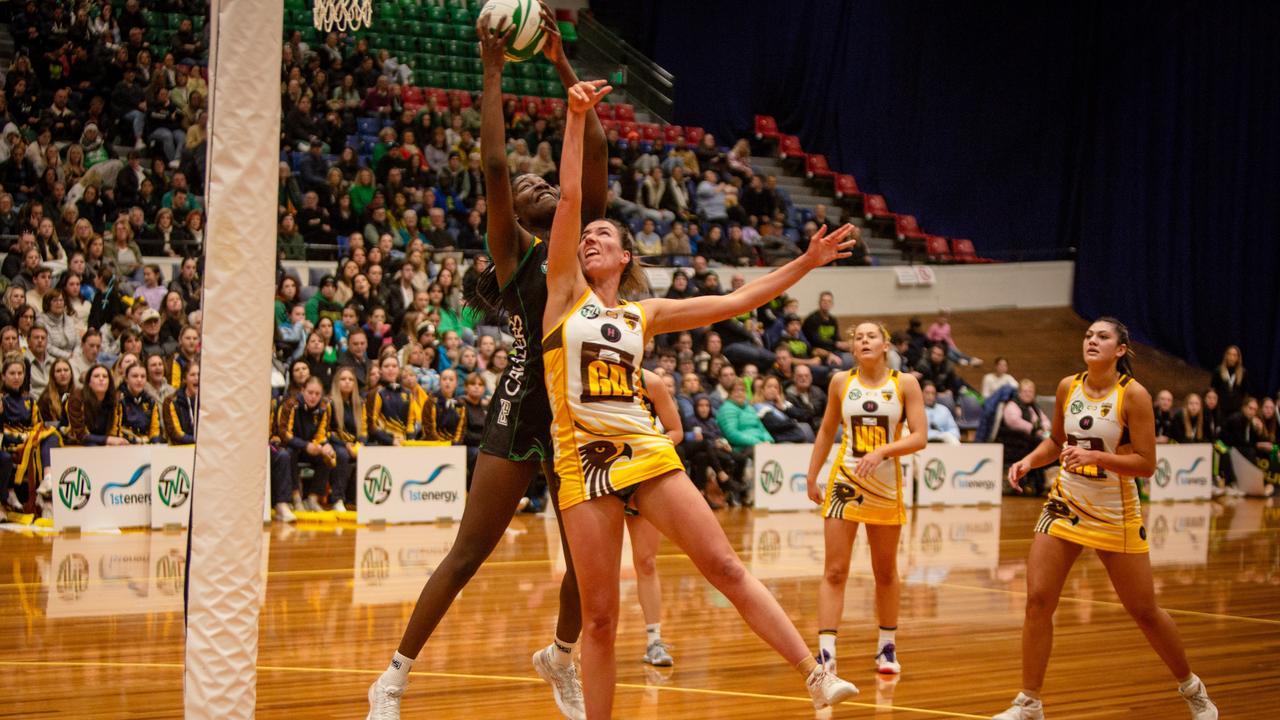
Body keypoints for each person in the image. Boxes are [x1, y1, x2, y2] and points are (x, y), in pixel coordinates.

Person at [538, 78, 859, 717]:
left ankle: (813, 673)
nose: (591, 238)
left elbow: (737, 301)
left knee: (725, 566)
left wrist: (806, 262)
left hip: (644, 449)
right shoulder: (562, 295)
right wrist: (575, 119)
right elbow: (571, 196)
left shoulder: (642, 313)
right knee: (600, 620)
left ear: (626, 255)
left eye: (605, 235)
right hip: (581, 460)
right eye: (586, 235)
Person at [368, 11, 605, 720]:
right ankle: (392, 679)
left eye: (545, 182)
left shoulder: (584, 243)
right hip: (522, 405)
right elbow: (497, 166)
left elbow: (591, 148)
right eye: (532, 188)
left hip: (581, 414)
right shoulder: (516, 254)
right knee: (468, 554)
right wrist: (493, 67)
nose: (537, 184)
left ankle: (558, 659)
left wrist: (567, 72)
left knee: (588, 568)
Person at [996, 318, 1217, 720]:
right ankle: (1029, 702)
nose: (1092, 341)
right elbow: (1057, 442)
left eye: (1102, 337)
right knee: (1037, 600)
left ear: (1120, 350)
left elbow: (1146, 465)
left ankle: (1192, 687)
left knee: (1144, 611)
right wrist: (1029, 460)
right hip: (1065, 503)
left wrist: (1097, 457)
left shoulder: (1133, 396)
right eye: (1088, 335)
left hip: (1115, 511)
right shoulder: (1068, 386)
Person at [805, 321, 926, 677]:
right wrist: (812, 475)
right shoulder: (841, 382)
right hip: (845, 483)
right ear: (853, 349)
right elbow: (827, 430)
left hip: (887, 487)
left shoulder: (905, 384)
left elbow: (919, 438)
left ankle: (886, 647)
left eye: (872, 336)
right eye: (858, 338)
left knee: (885, 571)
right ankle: (826, 653)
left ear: (885, 345)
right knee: (835, 569)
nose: (865, 341)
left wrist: (884, 451)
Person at [629, 368, 682, 667]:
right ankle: (582, 644)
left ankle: (654, 641)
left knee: (646, 561)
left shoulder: (650, 382)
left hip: (643, 475)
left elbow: (675, 430)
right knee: (595, 568)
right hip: (601, 476)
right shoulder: (586, 377)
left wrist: (648, 452)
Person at [279, 376, 343, 511]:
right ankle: (296, 497)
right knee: (289, 453)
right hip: (292, 445)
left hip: (310, 447)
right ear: (303, 390)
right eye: (310, 393)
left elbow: (321, 434)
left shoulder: (324, 407)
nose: (313, 397)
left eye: (317, 394)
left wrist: (325, 445)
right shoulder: (291, 404)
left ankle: (312, 499)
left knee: (328, 456)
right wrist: (305, 445)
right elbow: (284, 434)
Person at [997, 379, 1052, 494]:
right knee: (1039, 445)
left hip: (1029, 441)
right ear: (1019, 392)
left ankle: (1042, 482)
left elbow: (1045, 421)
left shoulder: (1033, 407)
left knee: (1045, 444)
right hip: (1013, 444)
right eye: (1025, 391)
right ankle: (1039, 484)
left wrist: (1044, 428)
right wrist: (1036, 430)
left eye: (1030, 391)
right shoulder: (1012, 406)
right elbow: (1015, 422)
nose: (1028, 394)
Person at [327, 365, 365, 510]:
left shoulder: (360, 404)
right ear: (337, 383)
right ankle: (337, 499)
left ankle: (355, 499)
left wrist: (361, 442)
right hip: (336, 442)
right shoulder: (330, 403)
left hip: (355, 443)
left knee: (369, 452)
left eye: (350, 379)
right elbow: (326, 431)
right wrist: (345, 444)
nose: (347, 382)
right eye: (343, 379)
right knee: (342, 455)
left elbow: (365, 429)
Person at [66, 364, 125, 446]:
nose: (101, 379)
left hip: (105, 442)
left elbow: (114, 432)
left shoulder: (115, 401)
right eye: (96, 376)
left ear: (109, 382)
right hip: (78, 443)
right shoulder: (77, 399)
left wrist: (109, 441)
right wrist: (106, 440)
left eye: (105, 376)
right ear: (89, 382)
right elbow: (79, 434)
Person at [118, 363, 164, 444]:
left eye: (143, 376)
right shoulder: (119, 400)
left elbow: (155, 431)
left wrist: (156, 443)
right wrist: (134, 440)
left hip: (146, 445)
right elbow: (115, 432)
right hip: (124, 446)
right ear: (126, 379)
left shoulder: (151, 401)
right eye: (135, 376)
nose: (139, 380)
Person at [163, 362, 199, 444]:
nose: (197, 378)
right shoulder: (171, 401)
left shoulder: (206, 401)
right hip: (179, 450)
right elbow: (176, 434)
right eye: (192, 375)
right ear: (184, 379)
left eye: (199, 374)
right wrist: (199, 440)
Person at [1209, 345, 1246, 417]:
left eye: (1234, 355)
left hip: (1236, 409)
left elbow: (1244, 391)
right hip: (1221, 408)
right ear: (1226, 356)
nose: (1232, 357)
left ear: (1238, 358)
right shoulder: (1218, 371)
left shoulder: (1243, 373)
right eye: (1229, 354)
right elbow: (1213, 389)